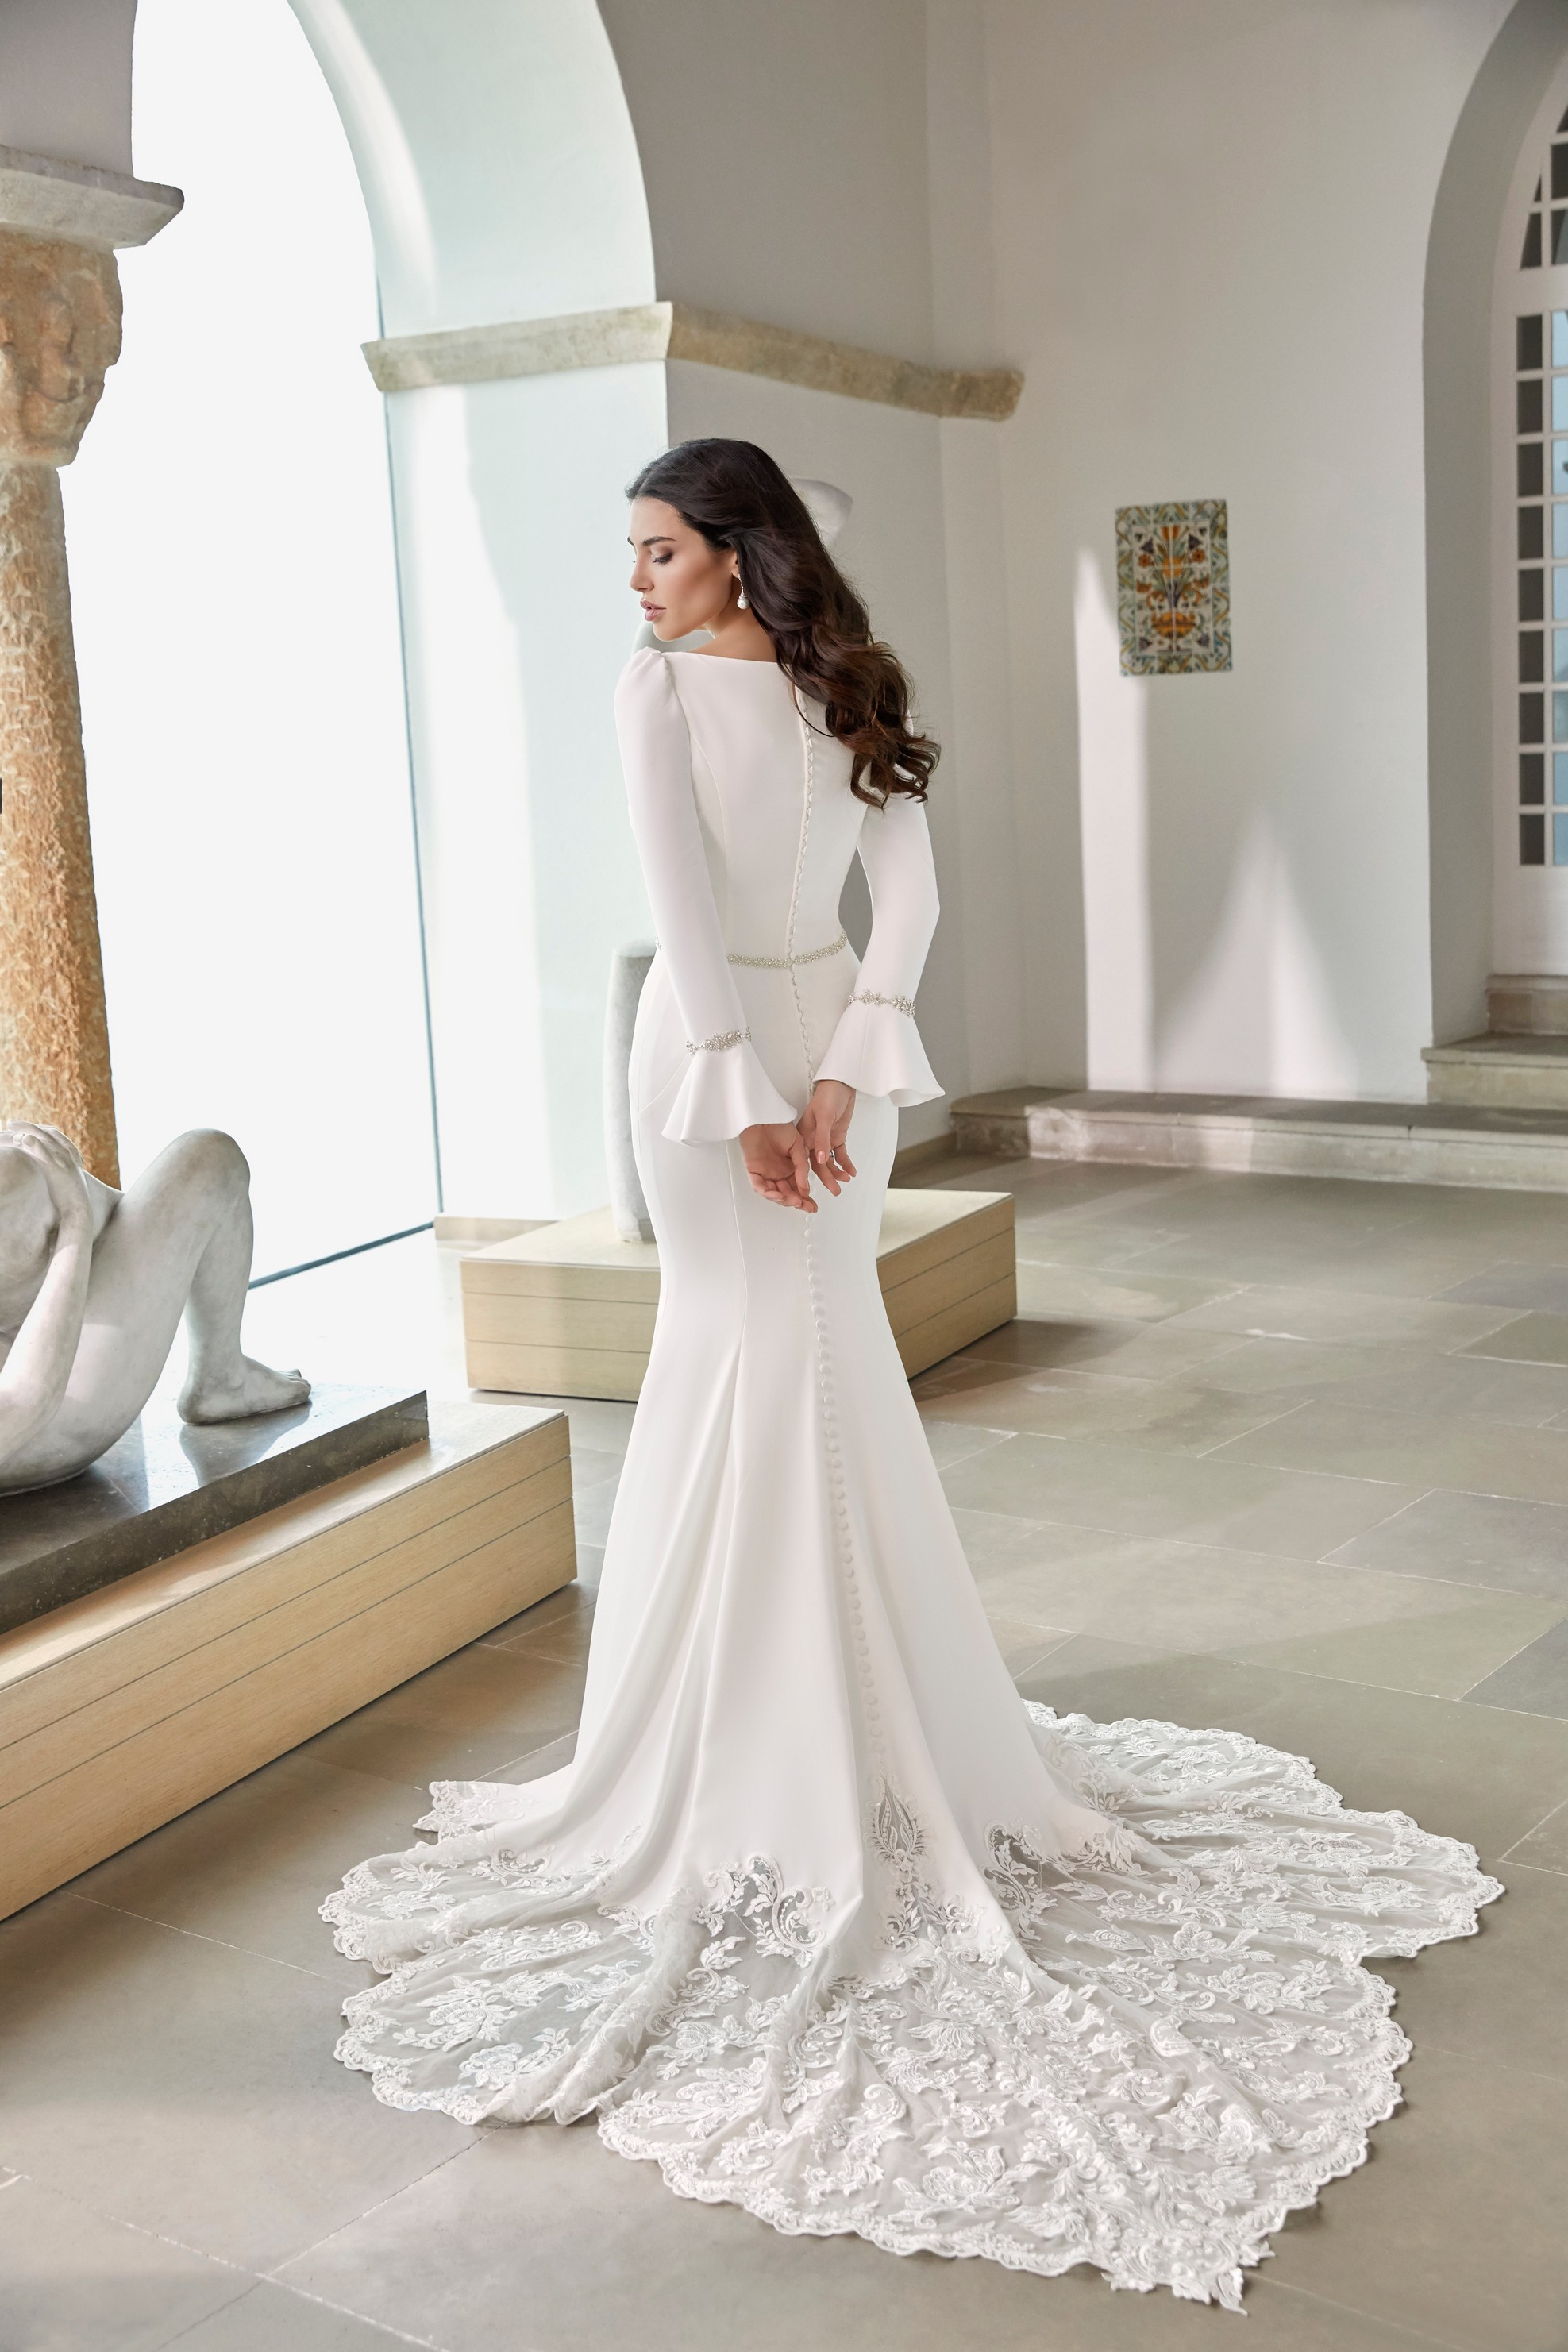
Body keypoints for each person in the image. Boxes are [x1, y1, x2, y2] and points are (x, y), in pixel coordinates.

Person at [324, 441, 1497, 2308]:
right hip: (778, 1060)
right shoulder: (833, 687)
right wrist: (827, 1079)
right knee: (756, 1356)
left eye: (656, 550)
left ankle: (810, 1742)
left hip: (737, 1059)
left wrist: (784, 1093)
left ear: (735, 552)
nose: (633, 582)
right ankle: (782, 1736)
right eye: (628, 555)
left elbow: (700, 916)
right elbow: (898, 909)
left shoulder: (689, 695)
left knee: (796, 1366)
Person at [0, 1123, 308, 1492]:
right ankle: (224, 1376)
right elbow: (24, 1400)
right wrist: (74, 1219)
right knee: (208, 1158)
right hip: (46, 1423)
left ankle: (221, 1370)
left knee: (16, 1178)